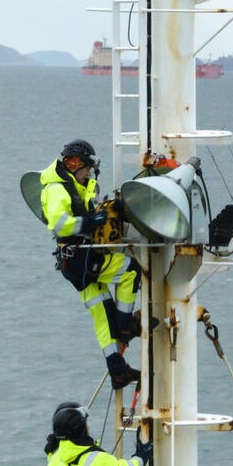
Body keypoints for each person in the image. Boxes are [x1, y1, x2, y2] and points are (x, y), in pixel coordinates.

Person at [39, 139, 142, 390]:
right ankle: (126, 324)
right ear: (75, 164)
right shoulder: (57, 189)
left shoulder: (74, 185)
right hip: (82, 257)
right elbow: (60, 223)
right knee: (130, 270)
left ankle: (117, 370)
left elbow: (82, 210)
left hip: (72, 262)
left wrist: (102, 211)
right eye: (85, 167)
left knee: (102, 312)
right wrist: (91, 222)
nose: (87, 173)